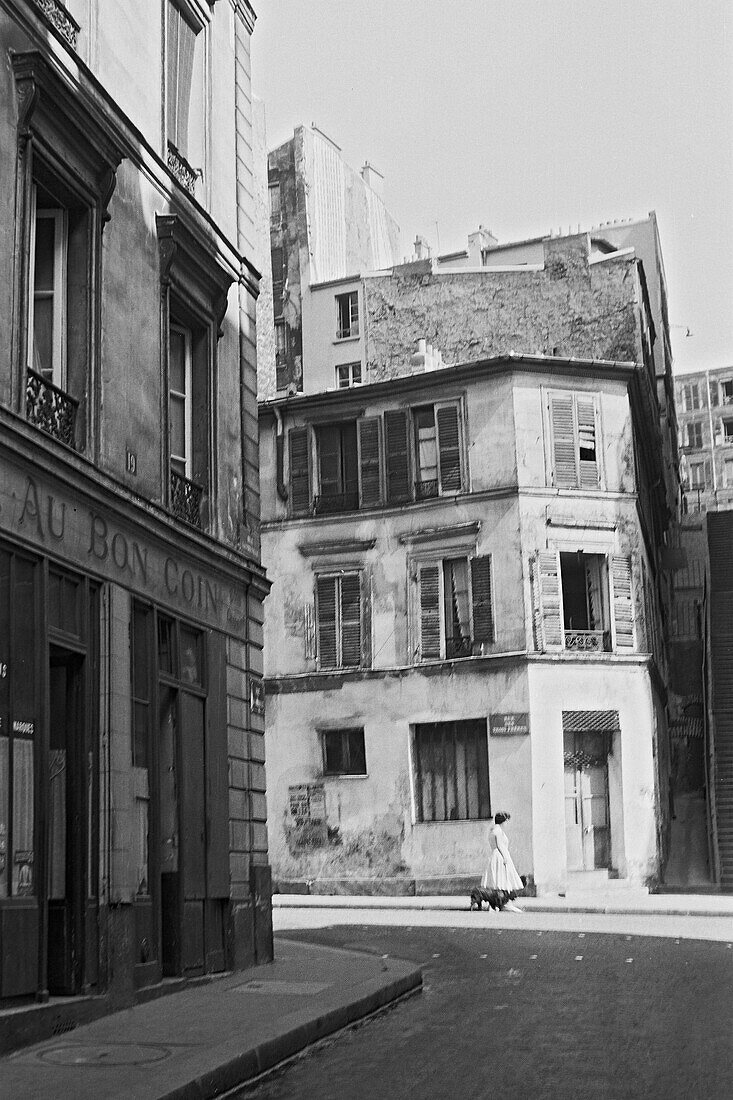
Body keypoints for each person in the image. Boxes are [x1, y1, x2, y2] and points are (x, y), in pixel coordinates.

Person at [482, 811, 524, 913]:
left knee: (496, 880)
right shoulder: (499, 831)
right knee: (503, 879)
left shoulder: (492, 831)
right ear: (503, 821)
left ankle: (495, 903)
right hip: (500, 856)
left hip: (494, 855)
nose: (507, 823)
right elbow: (500, 845)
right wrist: (505, 857)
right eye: (506, 821)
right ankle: (505, 903)